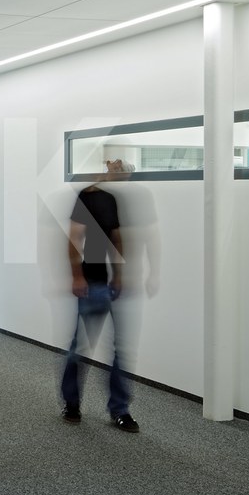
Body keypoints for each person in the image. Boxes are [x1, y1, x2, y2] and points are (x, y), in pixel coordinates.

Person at [60, 159, 158, 433]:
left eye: (122, 170)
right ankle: (71, 403)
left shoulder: (118, 200)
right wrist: (77, 276)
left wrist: (121, 275)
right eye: (114, 168)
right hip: (91, 282)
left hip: (114, 285)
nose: (119, 173)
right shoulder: (89, 196)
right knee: (79, 347)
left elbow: (117, 239)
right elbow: (74, 238)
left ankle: (120, 410)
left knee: (121, 350)